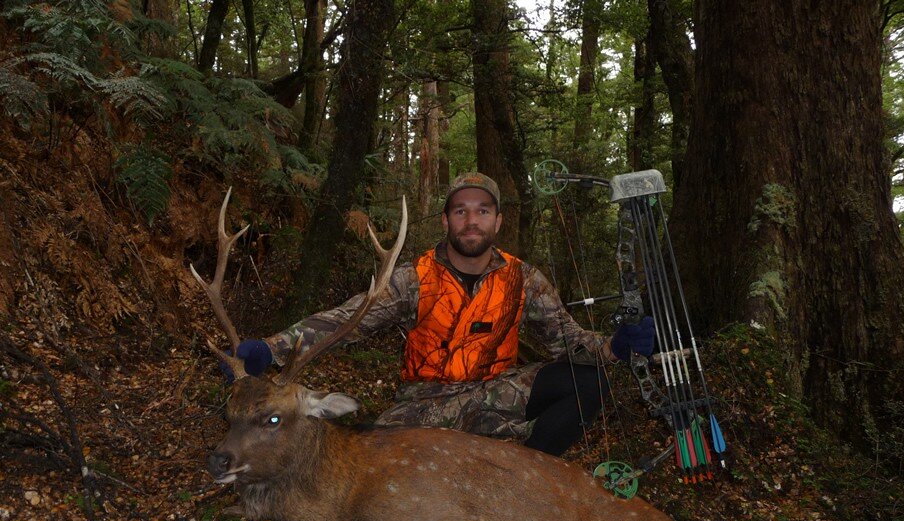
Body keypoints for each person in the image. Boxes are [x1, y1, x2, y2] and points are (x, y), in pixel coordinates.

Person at [229, 172, 655, 456]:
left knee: (587, 379)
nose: (472, 220)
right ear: (447, 221)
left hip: (497, 391)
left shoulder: (524, 279)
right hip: (426, 401)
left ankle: (531, 469)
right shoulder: (414, 278)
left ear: (498, 221)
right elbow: (346, 318)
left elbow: (569, 340)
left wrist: (614, 345)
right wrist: (272, 347)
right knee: (372, 458)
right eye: (461, 211)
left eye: (482, 211)